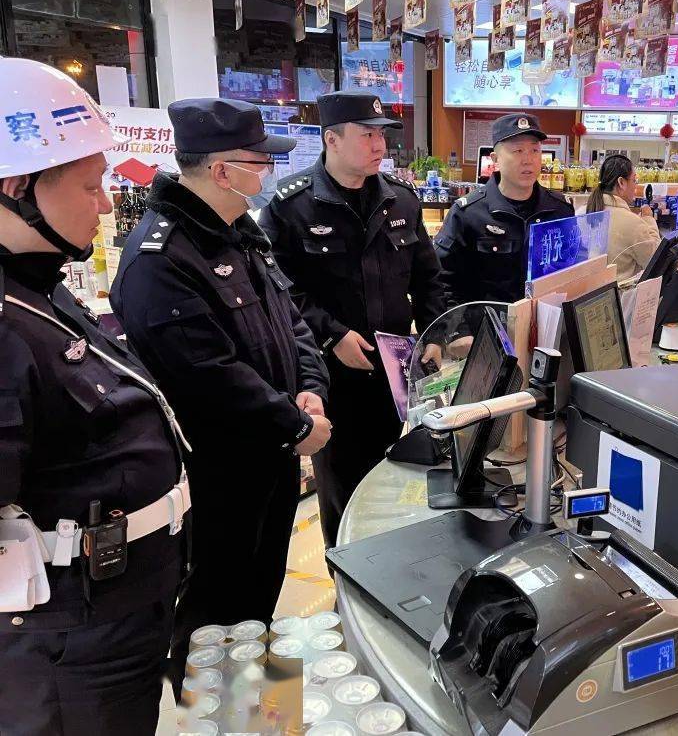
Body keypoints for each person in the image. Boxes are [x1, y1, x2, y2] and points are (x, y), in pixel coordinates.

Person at [109, 98, 331, 687]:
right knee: (212, 615)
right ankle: (212, 714)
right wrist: (294, 424)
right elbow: (208, 377)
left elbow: (293, 322)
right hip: (215, 478)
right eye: (261, 162)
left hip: (273, 461)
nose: (270, 173)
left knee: (259, 599)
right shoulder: (160, 259)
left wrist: (310, 393)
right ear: (224, 170)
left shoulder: (238, 232)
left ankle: (255, 708)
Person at [0, 59, 191, 735]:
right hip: (70, 649)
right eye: (90, 186)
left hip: (117, 615)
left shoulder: (35, 287)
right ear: (18, 186)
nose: (108, 204)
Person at [261, 92, 446, 547]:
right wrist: (331, 335)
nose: (380, 145)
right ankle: (345, 586)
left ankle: (384, 572)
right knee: (341, 490)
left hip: (395, 370)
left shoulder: (400, 201)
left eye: (382, 134)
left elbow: (428, 276)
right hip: (330, 378)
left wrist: (436, 331)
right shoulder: (291, 207)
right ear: (332, 139)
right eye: (367, 135)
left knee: (391, 480)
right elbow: (279, 292)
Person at [435, 113, 575, 307]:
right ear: (495, 159)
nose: (528, 160)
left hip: (546, 327)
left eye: (535, 150)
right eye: (518, 151)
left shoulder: (560, 210)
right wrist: (459, 331)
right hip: (487, 329)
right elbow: (441, 282)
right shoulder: (468, 213)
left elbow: (573, 273)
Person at [586, 154, 661, 281]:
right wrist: (649, 220)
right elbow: (655, 261)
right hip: (620, 298)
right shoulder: (633, 223)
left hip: (589, 296)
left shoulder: (582, 212)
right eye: (634, 180)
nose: (635, 186)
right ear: (621, 182)